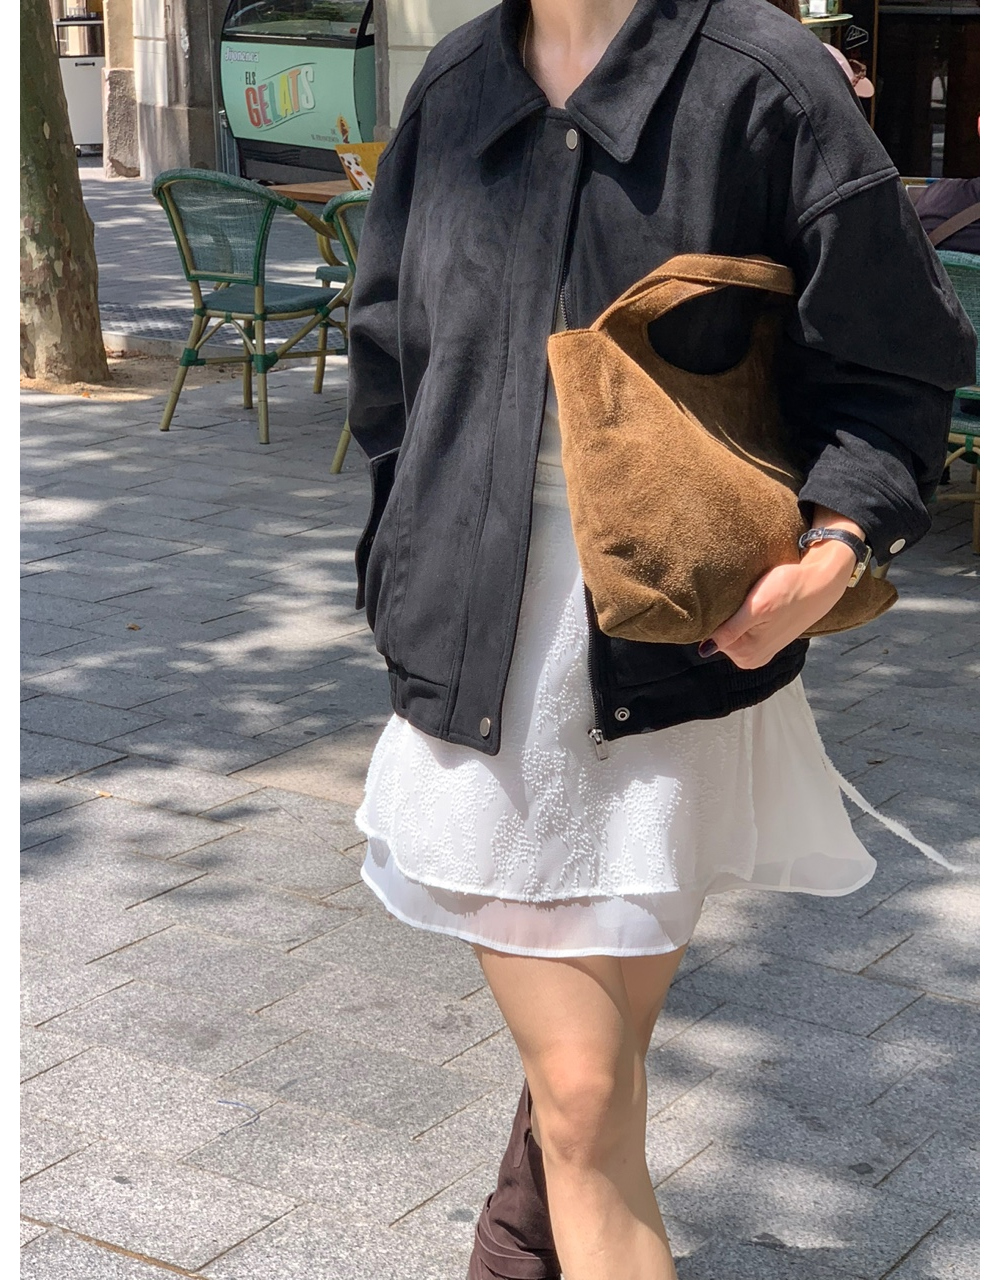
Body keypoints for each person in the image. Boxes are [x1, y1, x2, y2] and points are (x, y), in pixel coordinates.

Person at [346, 1, 976, 1277]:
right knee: (587, 1091)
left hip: (676, 660)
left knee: (595, 1077)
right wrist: (393, 563)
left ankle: (514, 1246)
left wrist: (834, 551)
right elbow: (389, 359)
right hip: (478, 653)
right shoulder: (458, 83)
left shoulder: (763, 81)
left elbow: (896, 367)